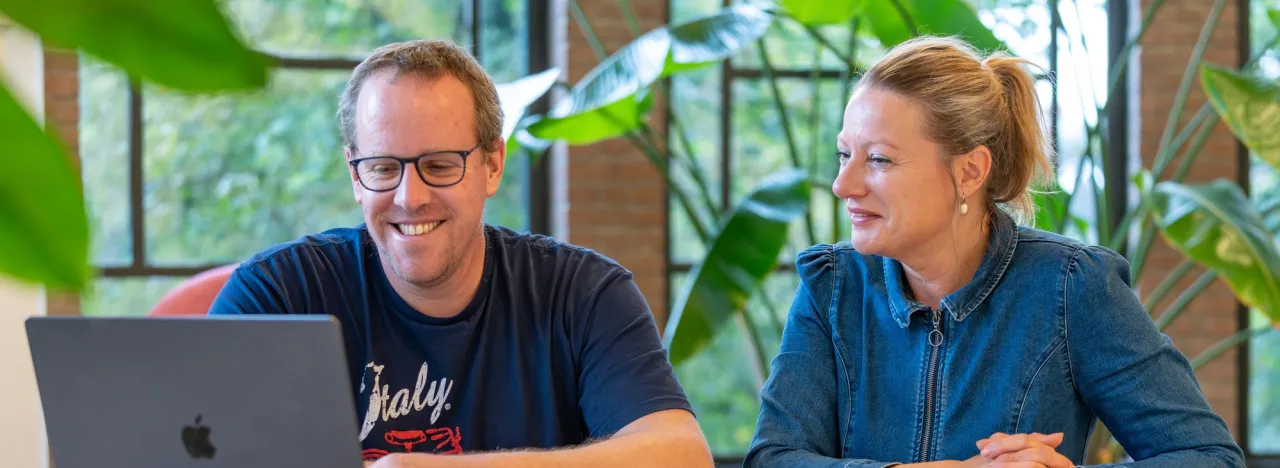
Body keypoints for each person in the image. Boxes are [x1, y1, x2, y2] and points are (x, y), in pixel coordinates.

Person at [744, 36, 1245, 468]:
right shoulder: (833, 286)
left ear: (969, 172)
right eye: (844, 154)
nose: (842, 184)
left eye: (878, 159)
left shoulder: (1071, 286)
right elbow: (774, 458)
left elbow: (1209, 456)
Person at [208, 39, 713, 468]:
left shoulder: (584, 294)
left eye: (440, 165)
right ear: (354, 173)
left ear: (493, 164)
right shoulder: (277, 294)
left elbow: (681, 455)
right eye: (383, 168)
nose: (410, 197)